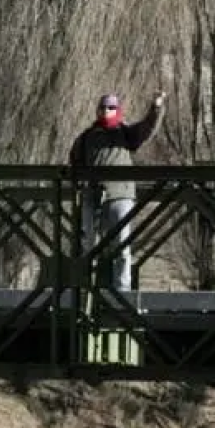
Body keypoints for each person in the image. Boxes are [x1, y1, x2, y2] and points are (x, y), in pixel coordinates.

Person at [68, 91, 165, 291]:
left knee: (121, 247)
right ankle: (85, 290)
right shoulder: (87, 137)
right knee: (87, 247)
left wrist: (156, 108)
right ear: (97, 110)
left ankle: (121, 292)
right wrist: (78, 184)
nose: (106, 111)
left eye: (111, 107)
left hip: (120, 196)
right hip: (92, 196)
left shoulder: (125, 133)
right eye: (103, 107)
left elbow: (147, 128)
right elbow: (74, 164)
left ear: (118, 110)